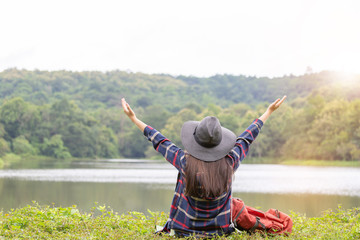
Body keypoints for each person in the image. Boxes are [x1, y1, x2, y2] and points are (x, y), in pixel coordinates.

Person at [121, 96, 287, 238]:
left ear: (195, 140)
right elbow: (246, 138)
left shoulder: (184, 161)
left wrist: (133, 118)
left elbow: (160, 140)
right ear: (220, 143)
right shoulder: (229, 163)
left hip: (183, 230)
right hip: (220, 231)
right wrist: (268, 112)